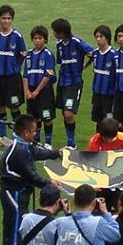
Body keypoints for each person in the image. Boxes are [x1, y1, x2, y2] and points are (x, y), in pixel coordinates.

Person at [0, 114, 56, 245]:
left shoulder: (21, 145)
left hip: (14, 192)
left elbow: (35, 152)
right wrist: (50, 184)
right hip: (15, 193)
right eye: (33, 132)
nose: (35, 135)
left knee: (10, 230)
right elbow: (32, 177)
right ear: (25, 133)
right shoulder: (19, 151)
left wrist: (54, 153)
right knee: (16, 230)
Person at [0, 5, 27, 144]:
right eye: (3, 18)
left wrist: (15, 67)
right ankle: (3, 137)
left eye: (8, 18)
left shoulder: (17, 36)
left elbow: (23, 54)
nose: (6, 21)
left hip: (11, 77)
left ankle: (18, 137)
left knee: (14, 106)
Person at [52, 18, 89, 148]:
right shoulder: (59, 45)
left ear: (61, 32)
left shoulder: (77, 42)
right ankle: (69, 141)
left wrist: (85, 65)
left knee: (69, 113)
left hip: (74, 83)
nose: (53, 34)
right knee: (64, 112)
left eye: (55, 31)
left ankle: (71, 143)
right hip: (62, 82)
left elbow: (93, 53)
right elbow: (60, 62)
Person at [24, 25, 57, 145]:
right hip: (31, 90)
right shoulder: (29, 55)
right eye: (35, 38)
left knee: (47, 118)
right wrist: (27, 91)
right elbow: (25, 74)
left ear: (45, 40)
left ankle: (48, 143)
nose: (37, 41)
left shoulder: (48, 54)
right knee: (34, 118)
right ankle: (36, 141)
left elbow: (48, 75)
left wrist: (37, 91)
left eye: (40, 38)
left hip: (44, 92)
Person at [89, 24, 118, 128]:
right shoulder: (95, 53)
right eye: (96, 37)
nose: (98, 39)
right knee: (98, 119)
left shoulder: (114, 55)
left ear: (107, 38)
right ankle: (99, 142)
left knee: (109, 120)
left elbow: (117, 76)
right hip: (97, 93)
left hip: (109, 95)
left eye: (101, 37)